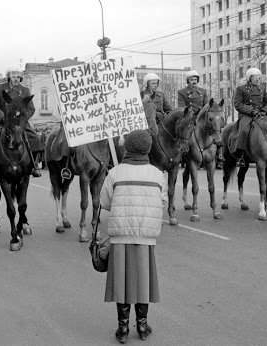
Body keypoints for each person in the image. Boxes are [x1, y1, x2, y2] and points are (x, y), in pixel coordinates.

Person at [100, 130, 166, 344]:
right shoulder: (157, 174)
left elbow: (105, 203)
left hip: (120, 236)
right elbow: (163, 202)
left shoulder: (115, 173)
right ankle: (143, 325)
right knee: (143, 283)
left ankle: (122, 328)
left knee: (122, 283)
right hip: (145, 236)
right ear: (148, 148)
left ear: (126, 147)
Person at [0, 68, 41, 181]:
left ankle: (33, 166)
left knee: (35, 138)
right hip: (2, 121)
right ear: (9, 77)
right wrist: (2, 117)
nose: (16, 79)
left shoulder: (25, 90)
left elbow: (31, 108)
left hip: (19, 123)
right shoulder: (0, 88)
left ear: (20, 78)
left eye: (18, 76)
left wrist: (22, 118)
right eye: (13, 76)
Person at [231, 67, 267, 163]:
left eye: (259, 77)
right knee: (244, 130)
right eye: (256, 77)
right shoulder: (241, 89)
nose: (258, 79)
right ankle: (241, 154)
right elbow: (238, 104)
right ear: (250, 78)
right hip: (247, 115)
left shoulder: (262, 88)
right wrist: (252, 111)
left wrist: (264, 111)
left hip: (261, 114)